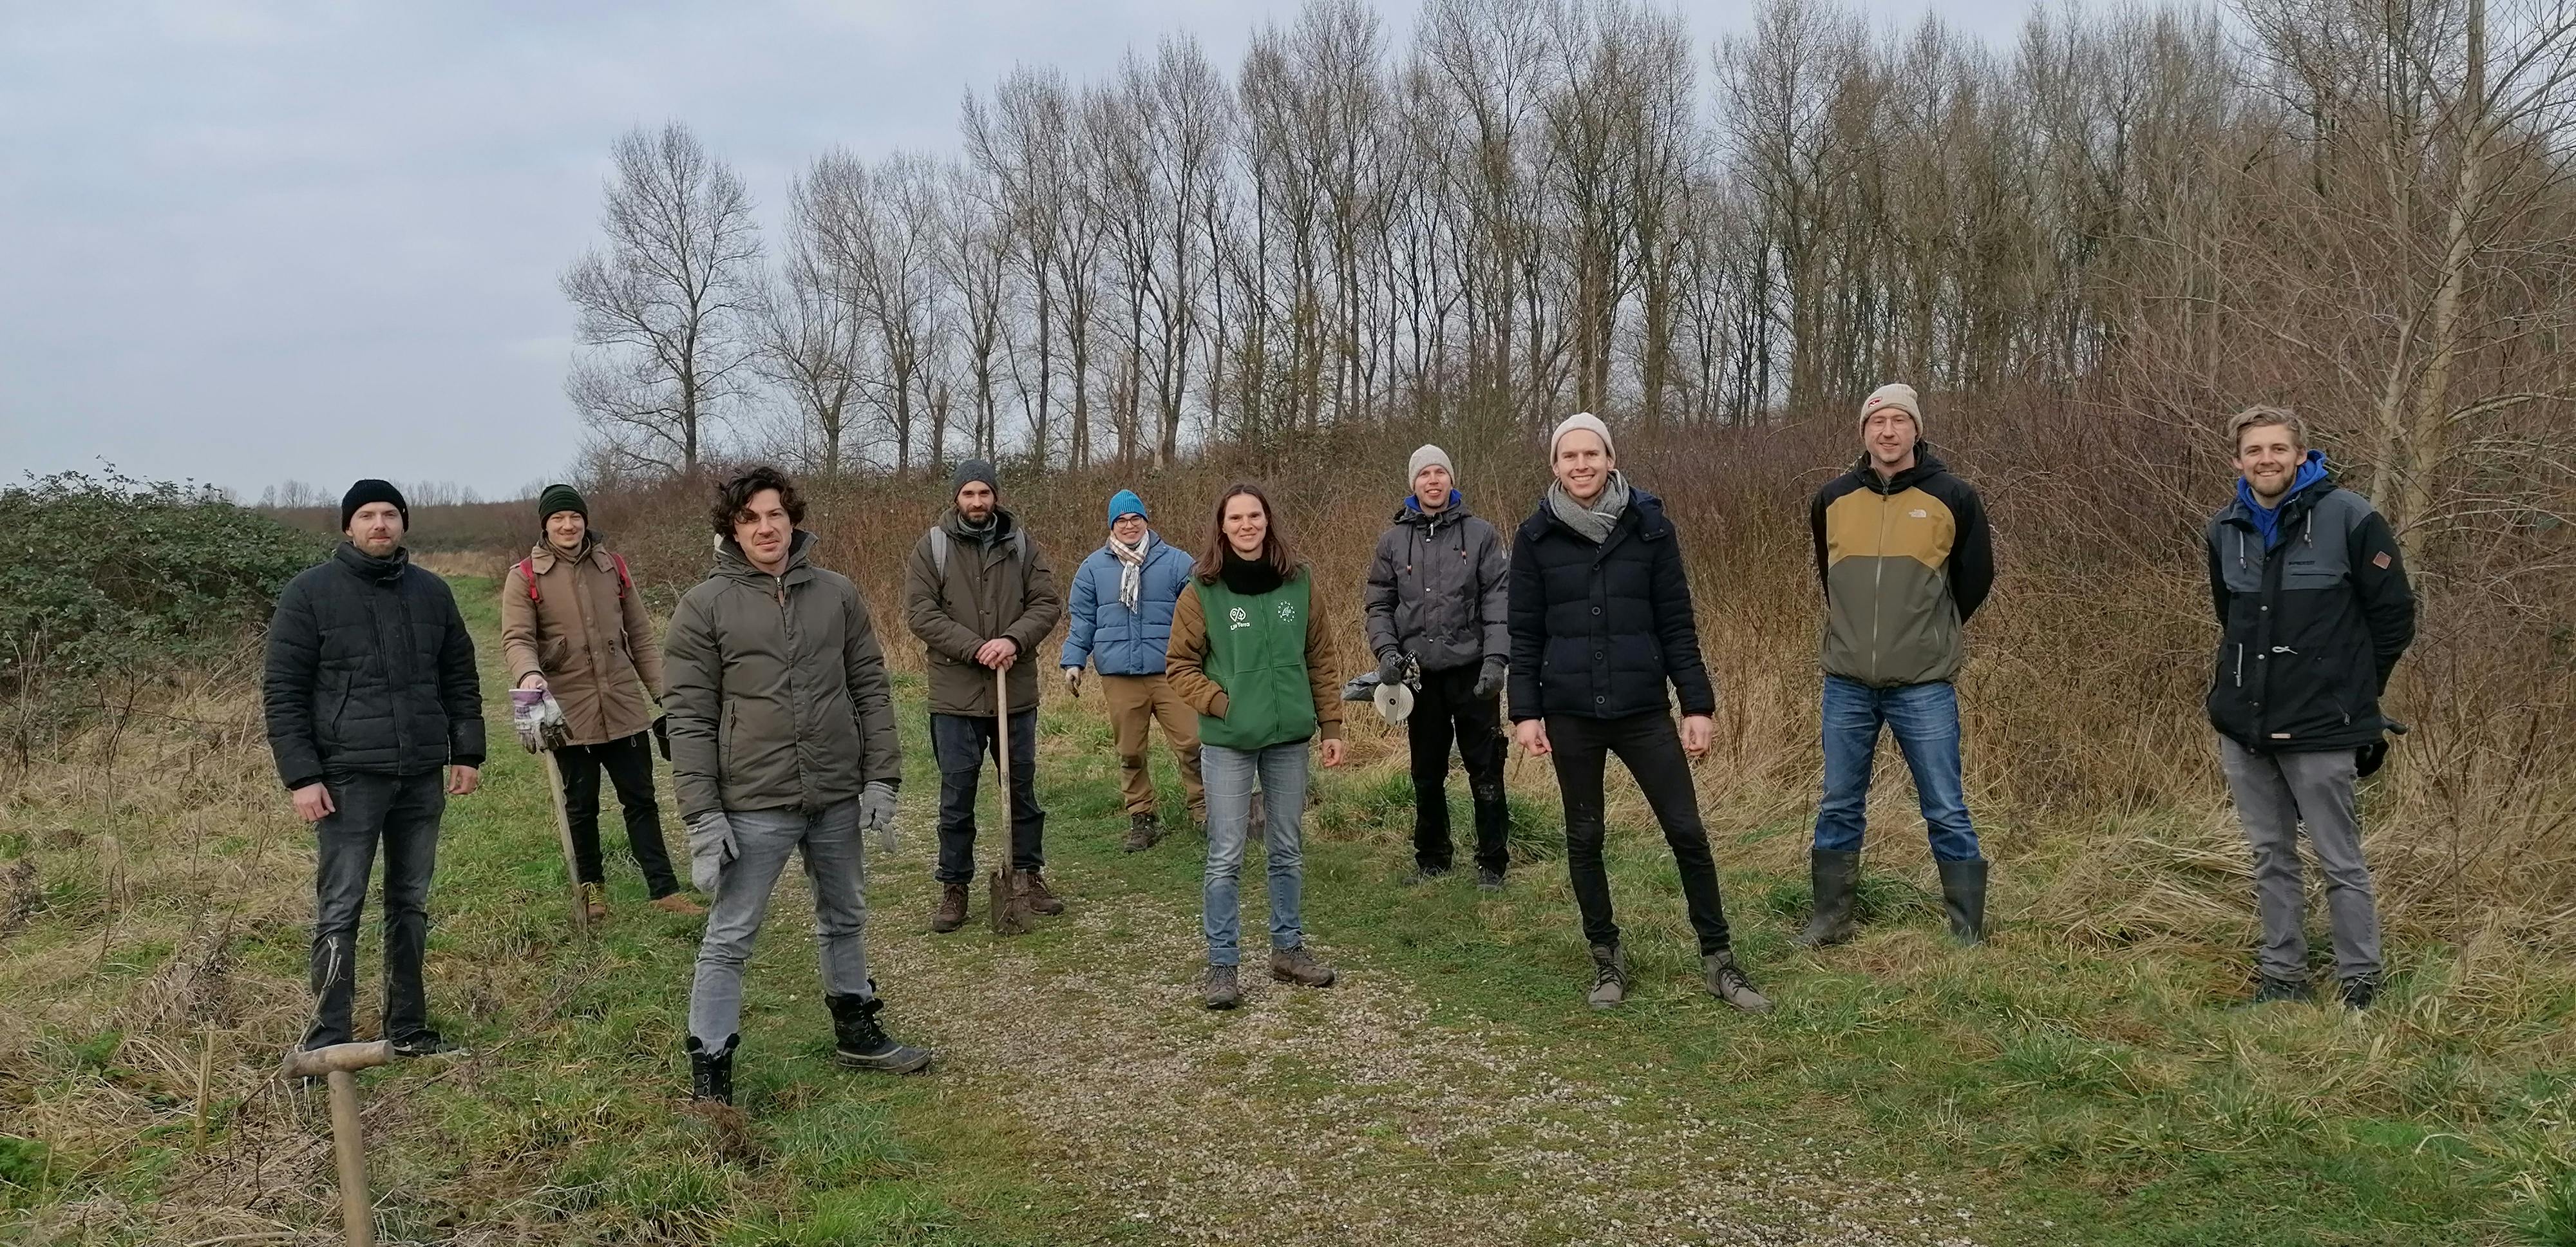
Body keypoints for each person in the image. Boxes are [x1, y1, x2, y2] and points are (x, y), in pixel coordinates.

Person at [665, 466, 925, 1104]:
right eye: (751, 518)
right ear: (733, 527)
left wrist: (881, 778)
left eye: (774, 514)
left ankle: (856, 1031)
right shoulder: (705, 605)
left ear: (793, 519)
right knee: (731, 935)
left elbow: (869, 686)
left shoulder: (836, 594)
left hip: (835, 792)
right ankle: (712, 1069)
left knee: (844, 916)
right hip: (753, 801)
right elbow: (689, 719)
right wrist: (702, 816)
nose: (765, 528)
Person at [1509, 414, 1772, 1014]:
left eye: (1591, 454)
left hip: (1642, 709)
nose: (1581, 465)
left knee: (1687, 830)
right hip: (1570, 711)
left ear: (1611, 458)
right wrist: (1525, 712)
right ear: (1554, 465)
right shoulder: (1535, 537)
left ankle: (1719, 960)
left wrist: (1696, 703)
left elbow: (1677, 622)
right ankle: (1606, 958)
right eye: (1569, 456)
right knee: (1585, 836)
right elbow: (1522, 632)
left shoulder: (1650, 525)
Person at [263, 479, 482, 1055]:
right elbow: (283, 691)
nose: (380, 524)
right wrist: (302, 776)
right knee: (340, 908)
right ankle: (328, 1038)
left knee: (410, 903)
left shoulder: (433, 593)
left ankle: (407, 1029)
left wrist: (467, 752)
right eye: (367, 515)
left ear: (404, 523)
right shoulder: (309, 594)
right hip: (346, 779)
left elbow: (460, 676)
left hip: (420, 775)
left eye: (390, 513)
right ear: (348, 527)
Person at [2206, 407, 2414, 1011]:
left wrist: (2356, 691)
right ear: (2237, 460)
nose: (2265, 459)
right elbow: (2231, 617)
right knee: (2271, 854)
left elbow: (2393, 616)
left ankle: (2360, 982)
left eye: (2277, 448)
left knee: (2339, 857)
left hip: (2327, 723)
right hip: (2244, 723)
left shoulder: (2349, 517)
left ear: (2302, 455)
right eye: (2253, 451)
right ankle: (2282, 979)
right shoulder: (2224, 528)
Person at [1800, 384, 1996, 946]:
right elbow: (1830, 576)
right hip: (1847, 683)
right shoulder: (1832, 498)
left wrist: (1931, 630)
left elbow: (1975, 578)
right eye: (1877, 421)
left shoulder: (1954, 496)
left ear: (1916, 430)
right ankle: (1831, 919)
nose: (1888, 431)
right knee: (1840, 802)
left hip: (1924, 684)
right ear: (1864, 432)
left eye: (1898, 421)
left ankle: (1965, 929)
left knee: (1945, 806)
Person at [1164, 483, 1346, 1010]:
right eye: (1236, 517)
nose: (1247, 525)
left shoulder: (1300, 582)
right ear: (1222, 527)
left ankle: (1288, 951)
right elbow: (1179, 664)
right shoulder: (1203, 590)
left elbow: (1322, 658)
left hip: (1291, 737)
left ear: (1269, 521)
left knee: (1286, 850)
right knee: (1226, 854)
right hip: (1229, 742)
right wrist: (1223, 704)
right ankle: (1223, 963)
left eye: (1255, 515)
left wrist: (1330, 725)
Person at [500, 483, 702, 921]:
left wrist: (664, 694)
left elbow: (642, 638)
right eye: (558, 518)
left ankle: (664, 890)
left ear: (585, 520)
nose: (568, 525)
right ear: (545, 525)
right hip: (568, 713)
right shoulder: (525, 576)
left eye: (574, 516)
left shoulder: (614, 567)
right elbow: (516, 639)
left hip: (624, 706)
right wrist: (529, 674)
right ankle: (592, 894)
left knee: (642, 800)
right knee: (582, 806)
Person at [904, 460, 1066, 932]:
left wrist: (1012, 641)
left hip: (1013, 694)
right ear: (957, 497)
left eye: (984, 493)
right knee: (957, 795)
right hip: (954, 696)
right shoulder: (931, 549)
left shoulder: (1021, 545)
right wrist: (976, 648)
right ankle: (955, 886)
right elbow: (920, 613)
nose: (977, 502)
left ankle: (1027, 875)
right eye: (969, 494)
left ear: (995, 496)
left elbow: (1047, 603)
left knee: (1021, 790)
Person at [1366, 444, 1513, 888]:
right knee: (1426, 771)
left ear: (1451, 480)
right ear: (1413, 483)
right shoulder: (1392, 541)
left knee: (1486, 768)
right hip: (1419, 676)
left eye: (1440, 473)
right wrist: (1387, 653)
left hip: (1473, 673)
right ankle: (1432, 858)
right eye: (1424, 474)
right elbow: (1379, 604)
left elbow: (1499, 602)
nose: (1433, 480)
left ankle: (1493, 862)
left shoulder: (1481, 535)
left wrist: (1496, 660)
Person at [1061, 488, 1206, 850]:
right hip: (1119, 676)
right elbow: (1082, 621)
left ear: (1146, 521)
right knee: (1130, 752)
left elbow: (1201, 613)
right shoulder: (1093, 568)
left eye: (1135, 519)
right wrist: (1074, 661)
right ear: (1112, 525)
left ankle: (1206, 812)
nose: (1129, 526)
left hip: (1172, 673)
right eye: (1121, 520)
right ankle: (1141, 817)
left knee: (1192, 744)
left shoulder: (1176, 562)